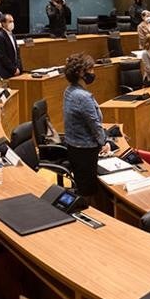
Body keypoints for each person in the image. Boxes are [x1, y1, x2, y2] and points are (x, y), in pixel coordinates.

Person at [62, 53, 109, 206]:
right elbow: (95, 124)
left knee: (84, 187)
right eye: (91, 69)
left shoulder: (69, 90)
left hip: (74, 147)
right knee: (88, 192)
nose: (93, 73)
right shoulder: (83, 97)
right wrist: (105, 142)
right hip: (86, 150)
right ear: (82, 73)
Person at [0, 13, 23, 81]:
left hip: (15, 72)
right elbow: (3, 56)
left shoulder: (13, 35)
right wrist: (13, 69)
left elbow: (17, 54)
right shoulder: (0, 37)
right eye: (10, 21)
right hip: (5, 73)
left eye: (12, 21)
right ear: (3, 23)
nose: (12, 23)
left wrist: (18, 68)